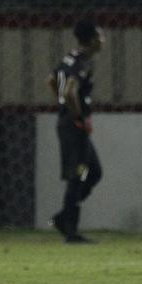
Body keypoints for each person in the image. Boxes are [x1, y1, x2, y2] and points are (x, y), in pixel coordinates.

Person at [45, 21, 104, 244]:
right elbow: (70, 91)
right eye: (100, 35)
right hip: (74, 126)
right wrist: (78, 116)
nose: (103, 40)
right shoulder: (83, 62)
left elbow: (51, 80)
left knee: (93, 172)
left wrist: (62, 106)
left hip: (69, 122)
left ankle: (64, 217)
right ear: (91, 40)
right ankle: (71, 232)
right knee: (79, 176)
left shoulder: (70, 56)